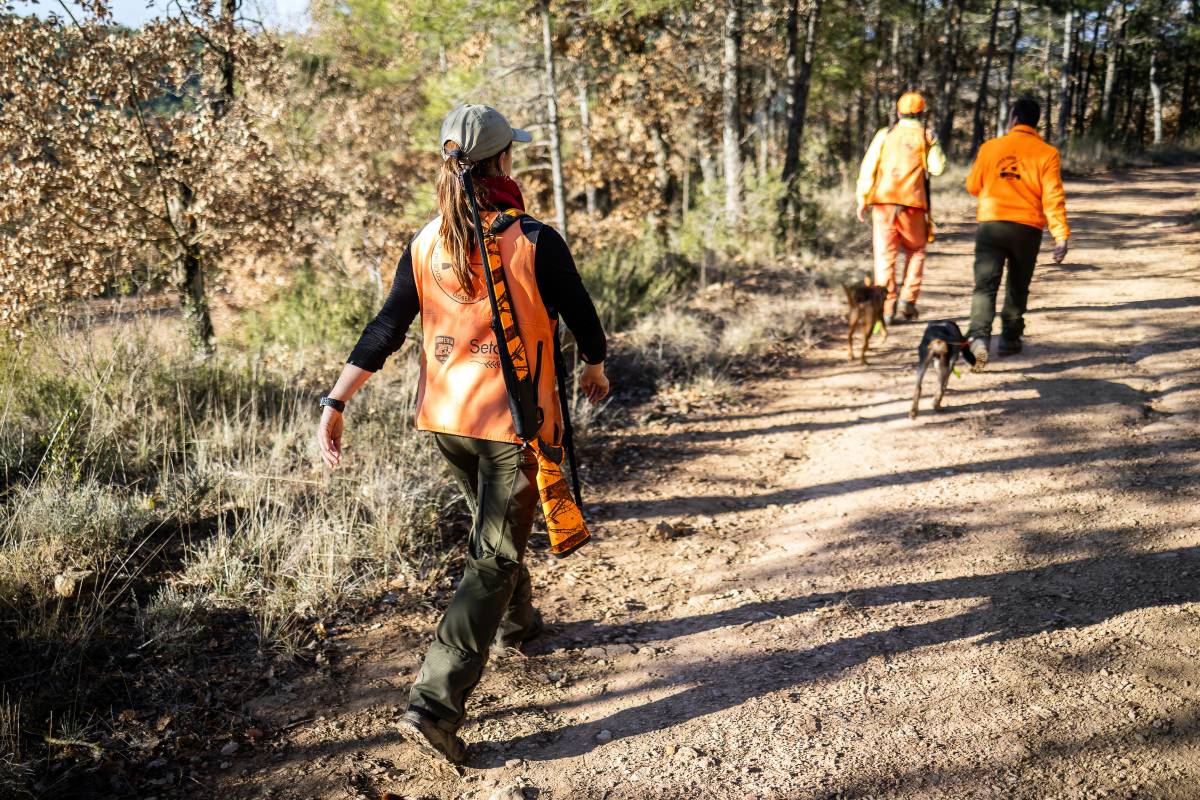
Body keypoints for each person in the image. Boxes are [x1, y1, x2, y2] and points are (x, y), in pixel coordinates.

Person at [314, 104, 610, 764]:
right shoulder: (533, 239)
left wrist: (336, 401)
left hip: (446, 420)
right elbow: (582, 314)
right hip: (510, 423)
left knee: (494, 528)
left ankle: (517, 623)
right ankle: (434, 705)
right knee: (494, 553)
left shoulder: (425, 243)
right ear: (504, 162)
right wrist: (594, 364)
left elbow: (384, 331)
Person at [964, 94, 1070, 369]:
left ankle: (978, 337)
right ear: (1037, 123)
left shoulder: (990, 148)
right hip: (1027, 229)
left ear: (1013, 119)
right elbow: (1053, 196)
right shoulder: (1047, 153)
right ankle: (1010, 338)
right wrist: (1060, 235)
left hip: (992, 224)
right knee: (1017, 285)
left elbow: (973, 186)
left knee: (985, 285)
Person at [855, 91, 947, 324]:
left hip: (884, 205)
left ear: (898, 112)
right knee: (916, 252)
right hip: (913, 207)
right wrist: (934, 143)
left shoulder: (886, 135)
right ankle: (908, 300)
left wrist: (863, 199)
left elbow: (868, 168)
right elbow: (937, 168)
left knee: (885, 258)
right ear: (921, 113)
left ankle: (886, 310)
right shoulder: (926, 137)